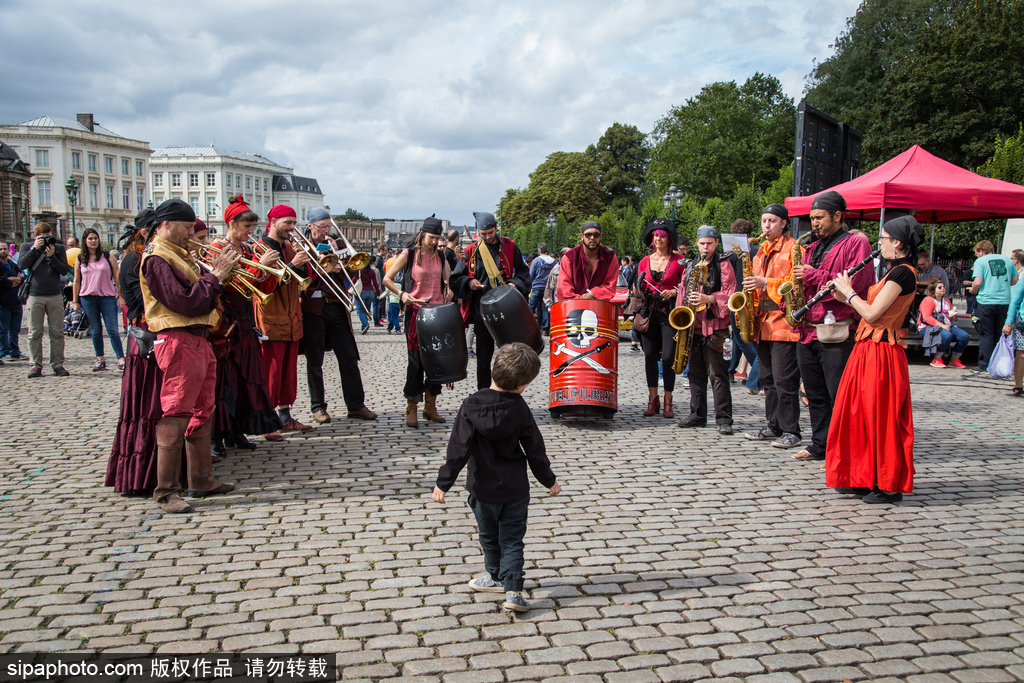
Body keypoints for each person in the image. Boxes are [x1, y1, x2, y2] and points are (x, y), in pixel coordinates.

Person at [432, 342, 559, 613]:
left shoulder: (471, 405)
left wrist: (443, 482)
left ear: (493, 371)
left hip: (482, 488)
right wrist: (548, 480)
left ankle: (495, 575)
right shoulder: (520, 408)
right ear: (523, 385)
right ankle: (513, 591)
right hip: (515, 489)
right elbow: (535, 449)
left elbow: (458, 448)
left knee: (489, 536)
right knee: (512, 539)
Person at [139, 199, 237, 513]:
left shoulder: (177, 254)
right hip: (179, 340)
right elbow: (185, 302)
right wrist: (215, 276)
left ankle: (202, 478)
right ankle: (167, 491)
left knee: (202, 409)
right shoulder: (157, 257)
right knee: (177, 410)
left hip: (197, 339)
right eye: (185, 228)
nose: (189, 235)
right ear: (167, 224)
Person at [827, 216, 923, 504]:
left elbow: (871, 314)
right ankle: (862, 476)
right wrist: (842, 297)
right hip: (867, 349)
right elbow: (868, 309)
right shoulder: (892, 272)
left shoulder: (903, 274)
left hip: (882, 353)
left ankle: (888, 484)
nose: (878, 243)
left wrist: (850, 292)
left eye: (882, 238)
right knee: (857, 414)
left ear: (897, 242)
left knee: (879, 417)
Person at [791, 191, 874, 461]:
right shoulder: (812, 246)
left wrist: (814, 275)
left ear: (837, 216)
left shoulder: (855, 243)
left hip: (838, 329)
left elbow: (855, 282)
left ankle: (845, 449)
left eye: (820, 218)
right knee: (814, 394)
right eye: (812, 218)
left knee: (838, 394)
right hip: (809, 329)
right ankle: (820, 444)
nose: (814, 223)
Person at [207, 196, 284, 456]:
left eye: (252, 227)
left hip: (244, 319)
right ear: (232, 224)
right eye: (246, 227)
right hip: (224, 321)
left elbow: (258, 288)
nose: (251, 232)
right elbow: (227, 283)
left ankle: (235, 429)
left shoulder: (248, 251)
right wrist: (259, 269)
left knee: (244, 378)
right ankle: (216, 435)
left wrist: (270, 271)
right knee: (223, 381)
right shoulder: (217, 248)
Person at [107, 210, 168, 494]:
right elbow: (144, 302)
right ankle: (143, 472)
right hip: (146, 334)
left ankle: (165, 465)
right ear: (146, 232)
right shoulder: (134, 258)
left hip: (159, 331)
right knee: (147, 404)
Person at [301, 207, 377, 424]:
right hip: (314, 308)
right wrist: (322, 268)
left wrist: (342, 263)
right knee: (315, 360)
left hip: (337, 305)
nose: (326, 231)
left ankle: (356, 405)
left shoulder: (337, 243)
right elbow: (301, 277)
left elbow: (354, 271)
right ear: (310, 227)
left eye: (328, 226)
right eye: (322, 227)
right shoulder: (302, 246)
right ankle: (318, 407)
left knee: (349, 357)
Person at [743, 205, 802, 449]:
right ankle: (774, 425)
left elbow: (796, 283)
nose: (766, 226)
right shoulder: (759, 252)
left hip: (784, 322)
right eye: (764, 220)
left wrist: (765, 281)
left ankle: (792, 430)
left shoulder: (794, 247)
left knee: (784, 380)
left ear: (784, 223)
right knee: (767, 379)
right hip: (763, 323)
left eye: (772, 221)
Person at [450, 211, 530, 390]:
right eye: (483, 234)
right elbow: (456, 279)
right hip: (482, 311)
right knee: (483, 358)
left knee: (511, 355)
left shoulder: (510, 246)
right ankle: (484, 392)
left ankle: (510, 391)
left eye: (490, 233)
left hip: (506, 309)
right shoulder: (471, 251)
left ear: (496, 228)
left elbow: (524, 272)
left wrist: (515, 284)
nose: (487, 237)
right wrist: (469, 281)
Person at [383, 216, 451, 428]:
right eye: (431, 237)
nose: (434, 242)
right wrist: (402, 294)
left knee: (437, 362)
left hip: (437, 314)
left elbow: (449, 279)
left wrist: (450, 289)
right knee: (416, 362)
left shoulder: (441, 255)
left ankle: (430, 406)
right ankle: (411, 407)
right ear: (423, 235)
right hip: (416, 313)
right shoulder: (409, 255)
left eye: (438, 238)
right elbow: (387, 279)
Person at [254, 204, 313, 434]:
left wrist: (302, 261)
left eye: (294, 223)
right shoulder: (259, 248)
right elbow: (265, 285)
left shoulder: (289, 246)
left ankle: (285, 417)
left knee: (288, 374)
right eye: (287, 222)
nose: (292, 227)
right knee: (272, 372)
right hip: (270, 317)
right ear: (274, 221)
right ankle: (268, 422)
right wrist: (292, 265)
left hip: (291, 319)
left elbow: (303, 280)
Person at [676, 226, 735, 434]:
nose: (705, 247)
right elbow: (682, 292)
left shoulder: (723, 264)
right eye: (702, 244)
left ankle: (724, 418)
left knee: (718, 375)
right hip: (693, 327)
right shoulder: (690, 264)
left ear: (716, 243)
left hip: (715, 328)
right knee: (695, 374)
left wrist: (709, 299)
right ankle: (697, 414)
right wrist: (680, 320)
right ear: (697, 243)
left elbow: (730, 294)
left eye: (710, 243)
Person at [634, 219, 685, 418]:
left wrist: (673, 292)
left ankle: (668, 401)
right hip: (649, 312)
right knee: (649, 355)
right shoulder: (645, 261)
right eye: (655, 236)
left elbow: (686, 285)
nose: (658, 240)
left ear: (669, 239)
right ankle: (652, 399)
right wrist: (642, 292)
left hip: (669, 313)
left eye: (661, 236)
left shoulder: (679, 260)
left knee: (668, 357)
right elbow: (638, 286)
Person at [19, 223, 71, 377]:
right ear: (35, 236)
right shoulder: (26, 246)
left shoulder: (58, 248)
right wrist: (34, 249)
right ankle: (36, 365)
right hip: (35, 295)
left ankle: (58, 364)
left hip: (54, 294)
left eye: (48, 235)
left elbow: (64, 270)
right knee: (34, 332)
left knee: (57, 332)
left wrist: (52, 256)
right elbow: (22, 264)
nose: (46, 239)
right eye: (42, 236)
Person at [71, 228, 126, 372]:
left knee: (113, 329)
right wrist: (74, 300)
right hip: (87, 297)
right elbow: (77, 280)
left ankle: (120, 359)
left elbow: (117, 277)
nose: (93, 241)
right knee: (96, 330)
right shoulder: (80, 259)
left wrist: (120, 296)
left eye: (95, 238)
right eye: (90, 238)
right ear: (85, 241)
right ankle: (100, 359)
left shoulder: (107, 256)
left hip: (107, 297)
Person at [968, 240, 1017, 372]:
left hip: (986, 302)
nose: (977, 256)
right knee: (999, 334)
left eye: (976, 253)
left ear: (981, 251)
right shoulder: (1008, 260)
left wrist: (973, 290)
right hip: (1004, 302)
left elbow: (978, 282)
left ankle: (985, 364)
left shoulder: (981, 261)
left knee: (986, 334)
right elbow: (1015, 280)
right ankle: (998, 363)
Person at [724, 218, 761, 394]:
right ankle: (731, 369)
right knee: (742, 340)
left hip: (736, 300)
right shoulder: (758, 251)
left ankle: (760, 373)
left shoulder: (730, 254)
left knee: (743, 340)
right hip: (753, 299)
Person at [555, 221, 619, 302]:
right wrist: (582, 300)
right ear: (582, 236)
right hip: (573, 308)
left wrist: (593, 293)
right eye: (588, 235)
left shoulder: (610, 257)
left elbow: (610, 285)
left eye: (596, 235)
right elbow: (564, 289)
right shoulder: (569, 257)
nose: (592, 237)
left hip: (600, 307)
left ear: (601, 236)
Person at [920, 280, 969, 368]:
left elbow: (951, 319)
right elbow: (927, 317)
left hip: (946, 325)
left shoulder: (946, 301)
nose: (943, 289)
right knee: (947, 335)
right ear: (933, 290)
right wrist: (943, 326)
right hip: (929, 327)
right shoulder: (928, 300)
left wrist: (952, 316)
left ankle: (954, 360)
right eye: (940, 287)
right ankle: (936, 359)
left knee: (964, 336)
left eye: (944, 287)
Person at [0, 242, 25, 361]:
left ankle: (15, 351)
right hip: (3, 302)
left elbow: (24, 279)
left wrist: (15, 280)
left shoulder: (12, 264)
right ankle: (4, 351)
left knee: (15, 329)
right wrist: (17, 281)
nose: (3, 251)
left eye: (4, 249)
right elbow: (3, 282)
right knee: (3, 330)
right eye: (0, 249)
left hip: (16, 301)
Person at [528, 243, 557, 334]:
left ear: (539, 250)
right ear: (547, 250)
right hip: (547, 287)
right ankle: (545, 329)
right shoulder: (553, 261)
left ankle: (527, 326)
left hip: (536, 286)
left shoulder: (536, 261)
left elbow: (531, 274)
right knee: (545, 309)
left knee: (531, 307)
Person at [1004, 274, 1024, 396]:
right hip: (1023, 322)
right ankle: (1018, 385)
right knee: (1022, 354)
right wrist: (1008, 322)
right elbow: (1015, 301)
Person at [354, 259, 382, 334]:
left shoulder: (359, 271)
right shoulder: (372, 271)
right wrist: (378, 293)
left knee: (360, 310)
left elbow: (353, 280)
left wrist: (349, 290)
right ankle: (365, 322)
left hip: (361, 292)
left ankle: (365, 324)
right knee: (366, 310)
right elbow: (375, 283)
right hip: (371, 292)